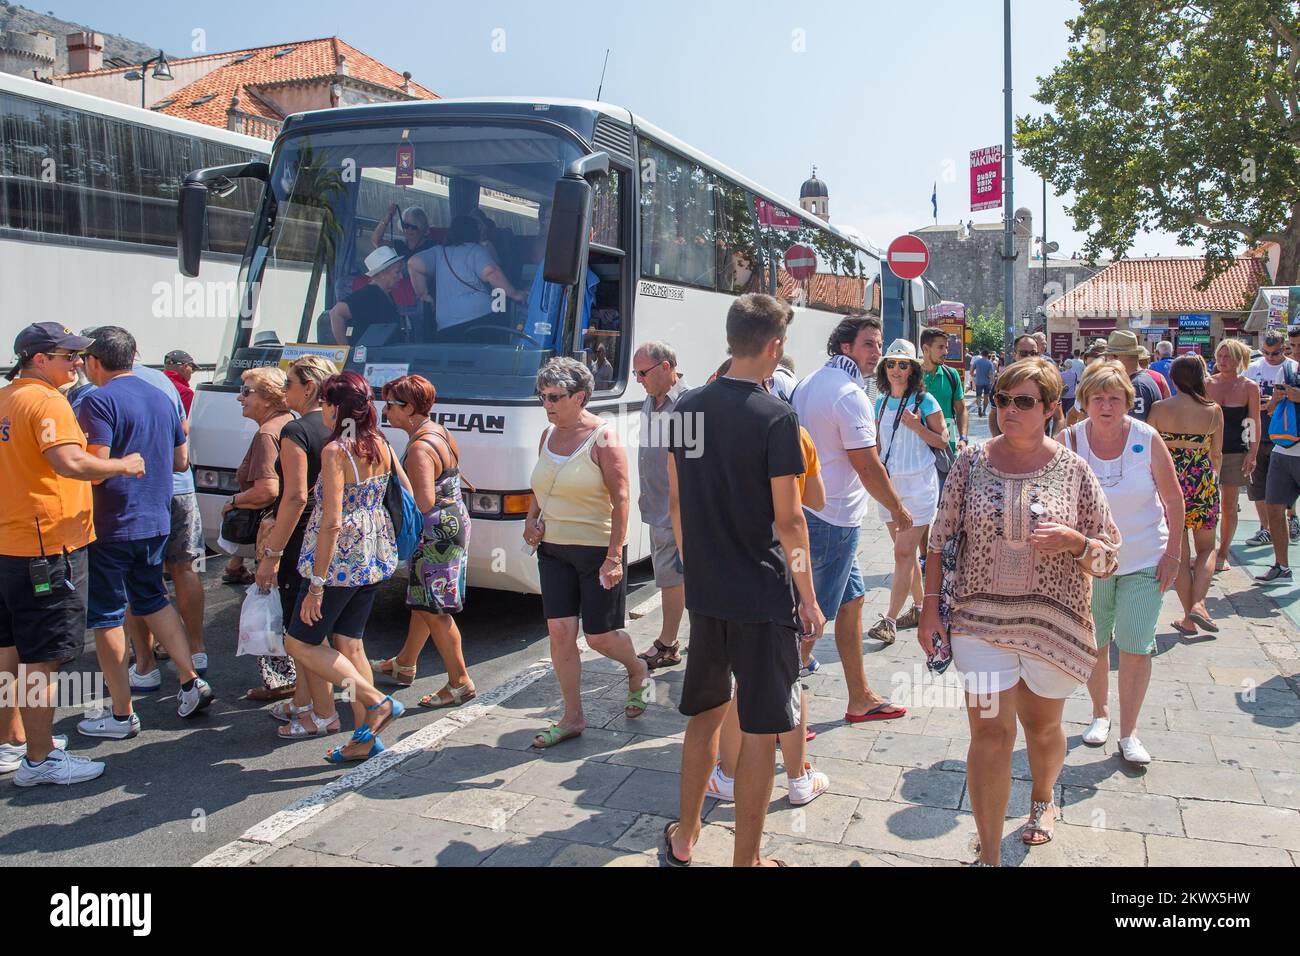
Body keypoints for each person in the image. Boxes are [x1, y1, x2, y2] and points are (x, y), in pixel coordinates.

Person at [920, 357, 1120, 865]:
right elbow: (939, 541)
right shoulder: (969, 461)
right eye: (1003, 400)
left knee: (1042, 726)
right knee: (989, 731)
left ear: (1051, 408)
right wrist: (928, 609)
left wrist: (1076, 543)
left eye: (1024, 401)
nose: (1009, 409)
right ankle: (988, 854)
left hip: (1052, 623)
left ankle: (1042, 798)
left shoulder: (1074, 470)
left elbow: (1108, 556)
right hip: (979, 623)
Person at [664, 293, 826, 868]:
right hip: (761, 592)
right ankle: (746, 861)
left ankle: (684, 837)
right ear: (775, 347)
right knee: (759, 727)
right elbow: (790, 519)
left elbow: (678, 502)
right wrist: (808, 597)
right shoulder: (776, 417)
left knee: (705, 715)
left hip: (707, 593)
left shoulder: (686, 407)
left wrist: (696, 562)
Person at [0, 324, 145, 786]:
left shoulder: (7, 396)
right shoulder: (46, 401)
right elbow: (71, 462)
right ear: (38, 359)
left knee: (12, 649)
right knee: (43, 656)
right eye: (68, 355)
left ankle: (15, 742)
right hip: (47, 546)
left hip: (12, 543)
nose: (79, 363)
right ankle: (40, 761)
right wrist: (124, 463)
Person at [75, 327, 211, 740]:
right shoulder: (162, 394)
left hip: (111, 521)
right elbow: (180, 460)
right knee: (152, 596)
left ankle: (121, 715)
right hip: (156, 516)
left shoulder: (95, 400)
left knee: (106, 615)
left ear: (93, 362)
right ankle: (191, 681)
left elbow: (94, 468)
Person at [705, 365, 829, 808]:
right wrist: (810, 599)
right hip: (777, 567)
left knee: (742, 682)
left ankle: (726, 772)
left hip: (722, 573)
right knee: (784, 677)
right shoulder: (789, 430)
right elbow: (810, 505)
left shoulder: (706, 428)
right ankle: (797, 776)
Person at [1060, 362, 1183, 765]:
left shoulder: (1146, 439)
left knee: (1135, 644)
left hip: (1145, 557)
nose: (1106, 405)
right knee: (1094, 643)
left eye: (1115, 398)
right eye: (1098, 397)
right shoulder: (1071, 441)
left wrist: (1174, 554)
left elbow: (1174, 499)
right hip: (1090, 562)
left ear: (1129, 402)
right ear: (1085, 401)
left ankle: (1130, 732)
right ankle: (1100, 714)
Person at [523, 357, 646, 749]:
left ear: (580, 397)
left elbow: (623, 498)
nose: (548, 404)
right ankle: (573, 715)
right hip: (554, 549)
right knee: (559, 632)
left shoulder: (603, 438)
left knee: (600, 637)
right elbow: (542, 483)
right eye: (543, 396)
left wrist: (614, 556)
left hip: (597, 549)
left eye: (556, 397)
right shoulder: (548, 436)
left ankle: (637, 667)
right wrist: (532, 517)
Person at [791, 314, 909, 721]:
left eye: (879, 344)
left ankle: (860, 696)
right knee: (810, 621)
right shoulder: (847, 393)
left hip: (816, 514)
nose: (878, 352)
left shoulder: (811, 381)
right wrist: (896, 507)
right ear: (845, 347)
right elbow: (867, 465)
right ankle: (772, 715)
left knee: (852, 601)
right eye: (869, 344)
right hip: (832, 521)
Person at [285, 371, 404, 762]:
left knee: (298, 641)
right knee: (350, 644)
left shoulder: (337, 451)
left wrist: (317, 583)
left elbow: (332, 520)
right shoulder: (380, 443)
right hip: (371, 555)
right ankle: (365, 738)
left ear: (335, 407)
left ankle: (375, 702)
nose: (322, 410)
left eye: (324, 403)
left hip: (338, 561)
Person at [372, 374, 476, 711]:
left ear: (410, 408)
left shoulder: (418, 447)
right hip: (454, 523)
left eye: (390, 404)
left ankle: (460, 682)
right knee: (423, 600)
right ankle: (404, 663)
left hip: (435, 533)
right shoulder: (438, 431)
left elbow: (423, 502)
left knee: (435, 610)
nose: (385, 410)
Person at [252, 355, 339, 734]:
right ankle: (305, 701)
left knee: (300, 633)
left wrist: (272, 552)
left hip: (302, 537)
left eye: (288, 383)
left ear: (309, 387)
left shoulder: (296, 431)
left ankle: (323, 710)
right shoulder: (342, 427)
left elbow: (294, 497)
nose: (283, 390)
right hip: (336, 539)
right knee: (321, 629)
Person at [121, 358, 206, 691]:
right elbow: (182, 441)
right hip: (180, 488)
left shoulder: (101, 390)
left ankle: (145, 664)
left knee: (139, 578)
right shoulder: (161, 382)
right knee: (185, 570)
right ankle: (196, 651)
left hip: (139, 493)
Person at [867, 340, 949, 646]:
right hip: (890, 487)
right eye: (891, 364)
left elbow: (942, 441)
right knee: (907, 555)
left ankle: (888, 620)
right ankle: (918, 608)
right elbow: (876, 442)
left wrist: (917, 427)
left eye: (903, 364)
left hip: (918, 486)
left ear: (913, 368)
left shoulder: (924, 401)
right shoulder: (881, 402)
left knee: (902, 553)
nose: (896, 370)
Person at [226, 367, 298, 700]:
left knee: (271, 603)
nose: (240, 397)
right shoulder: (290, 421)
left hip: (273, 531)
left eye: (247, 391)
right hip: (294, 528)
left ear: (268, 396)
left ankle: (282, 680)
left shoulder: (267, 433)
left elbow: (268, 490)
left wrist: (234, 501)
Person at [1148, 355, 1223, 634]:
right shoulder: (1213, 410)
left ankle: (1189, 617)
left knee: (1178, 550)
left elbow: (1150, 450)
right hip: (1201, 480)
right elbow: (1216, 454)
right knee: (1206, 548)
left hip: (1169, 482)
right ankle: (1199, 605)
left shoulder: (1159, 408)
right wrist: (1210, 481)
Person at [632, 341, 689, 672]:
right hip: (657, 505)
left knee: (671, 579)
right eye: (636, 373)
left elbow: (692, 463)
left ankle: (668, 645)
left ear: (666, 368)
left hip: (675, 511)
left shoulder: (686, 404)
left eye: (643, 373)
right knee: (673, 578)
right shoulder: (651, 400)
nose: (639, 379)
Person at [409, 215, 525, 340]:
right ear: (473, 231)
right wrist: (515, 293)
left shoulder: (438, 252)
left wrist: (423, 295)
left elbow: (413, 263)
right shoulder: (476, 250)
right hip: (481, 320)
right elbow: (491, 271)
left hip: (446, 326)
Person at [1207, 339, 1260, 573]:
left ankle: (1224, 551)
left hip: (1235, 451)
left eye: (1228, 356)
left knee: (1229, 505)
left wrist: (1253, 451)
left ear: (1239, 359)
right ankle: (1205, 551)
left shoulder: (1249, 387)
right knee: (1206, 505)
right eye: (1220, 355)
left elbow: (1253, 420)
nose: (1222, 360)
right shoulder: (1207, 383)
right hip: (1207, 452)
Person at [1243, 329, 1298, 550]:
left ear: (1283, 349)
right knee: (1259, 486)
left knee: (1286, 489)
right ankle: (1265, 528)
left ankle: (1291, 518)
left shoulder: (1291, 368)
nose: (1269, 357)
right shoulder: (1253, 368)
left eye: (1274, 353)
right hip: (1258, 432)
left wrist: (1276, 403)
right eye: (1265, 352)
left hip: (1287, 436)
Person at [328, 247, 404, 347]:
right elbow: (336, 312)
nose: (401, 276)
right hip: (368, 358)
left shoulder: (385, 294)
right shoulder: (367, 295)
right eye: (397, 272)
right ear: (382, 274)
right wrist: (345, 350)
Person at [919, 328, 968, 469]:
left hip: (947, 446)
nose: (946, 352)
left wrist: (963, 437)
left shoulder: (951, 375)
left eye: (946, 347)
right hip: (919, 446)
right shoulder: (911, 375)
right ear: (926, 349)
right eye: (940, 347)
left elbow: (961, 409)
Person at [1102, 330, 1161, 422]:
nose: (1107, 362)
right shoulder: (1141, 380)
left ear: (1115, 357)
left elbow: (1134, 430)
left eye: (1108, 357)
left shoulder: (1136, 386)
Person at [163, 350, 196, 415]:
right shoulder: (186, 393)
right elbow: (185, 422)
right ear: (185, 367)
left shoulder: (153, 383)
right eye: (192, 368)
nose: (192, 372)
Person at [971, 350, 995, 417]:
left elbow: (971, 371)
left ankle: (979, 407)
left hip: (978, 382)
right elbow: (990, 374)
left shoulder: (977, 362)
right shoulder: (990, 363)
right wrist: (993, 383)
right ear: (987, 355)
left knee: (978, 396)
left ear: (981, 354)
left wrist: (974, 375)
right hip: (987, 382)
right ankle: (984, 411)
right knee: (986, 397)